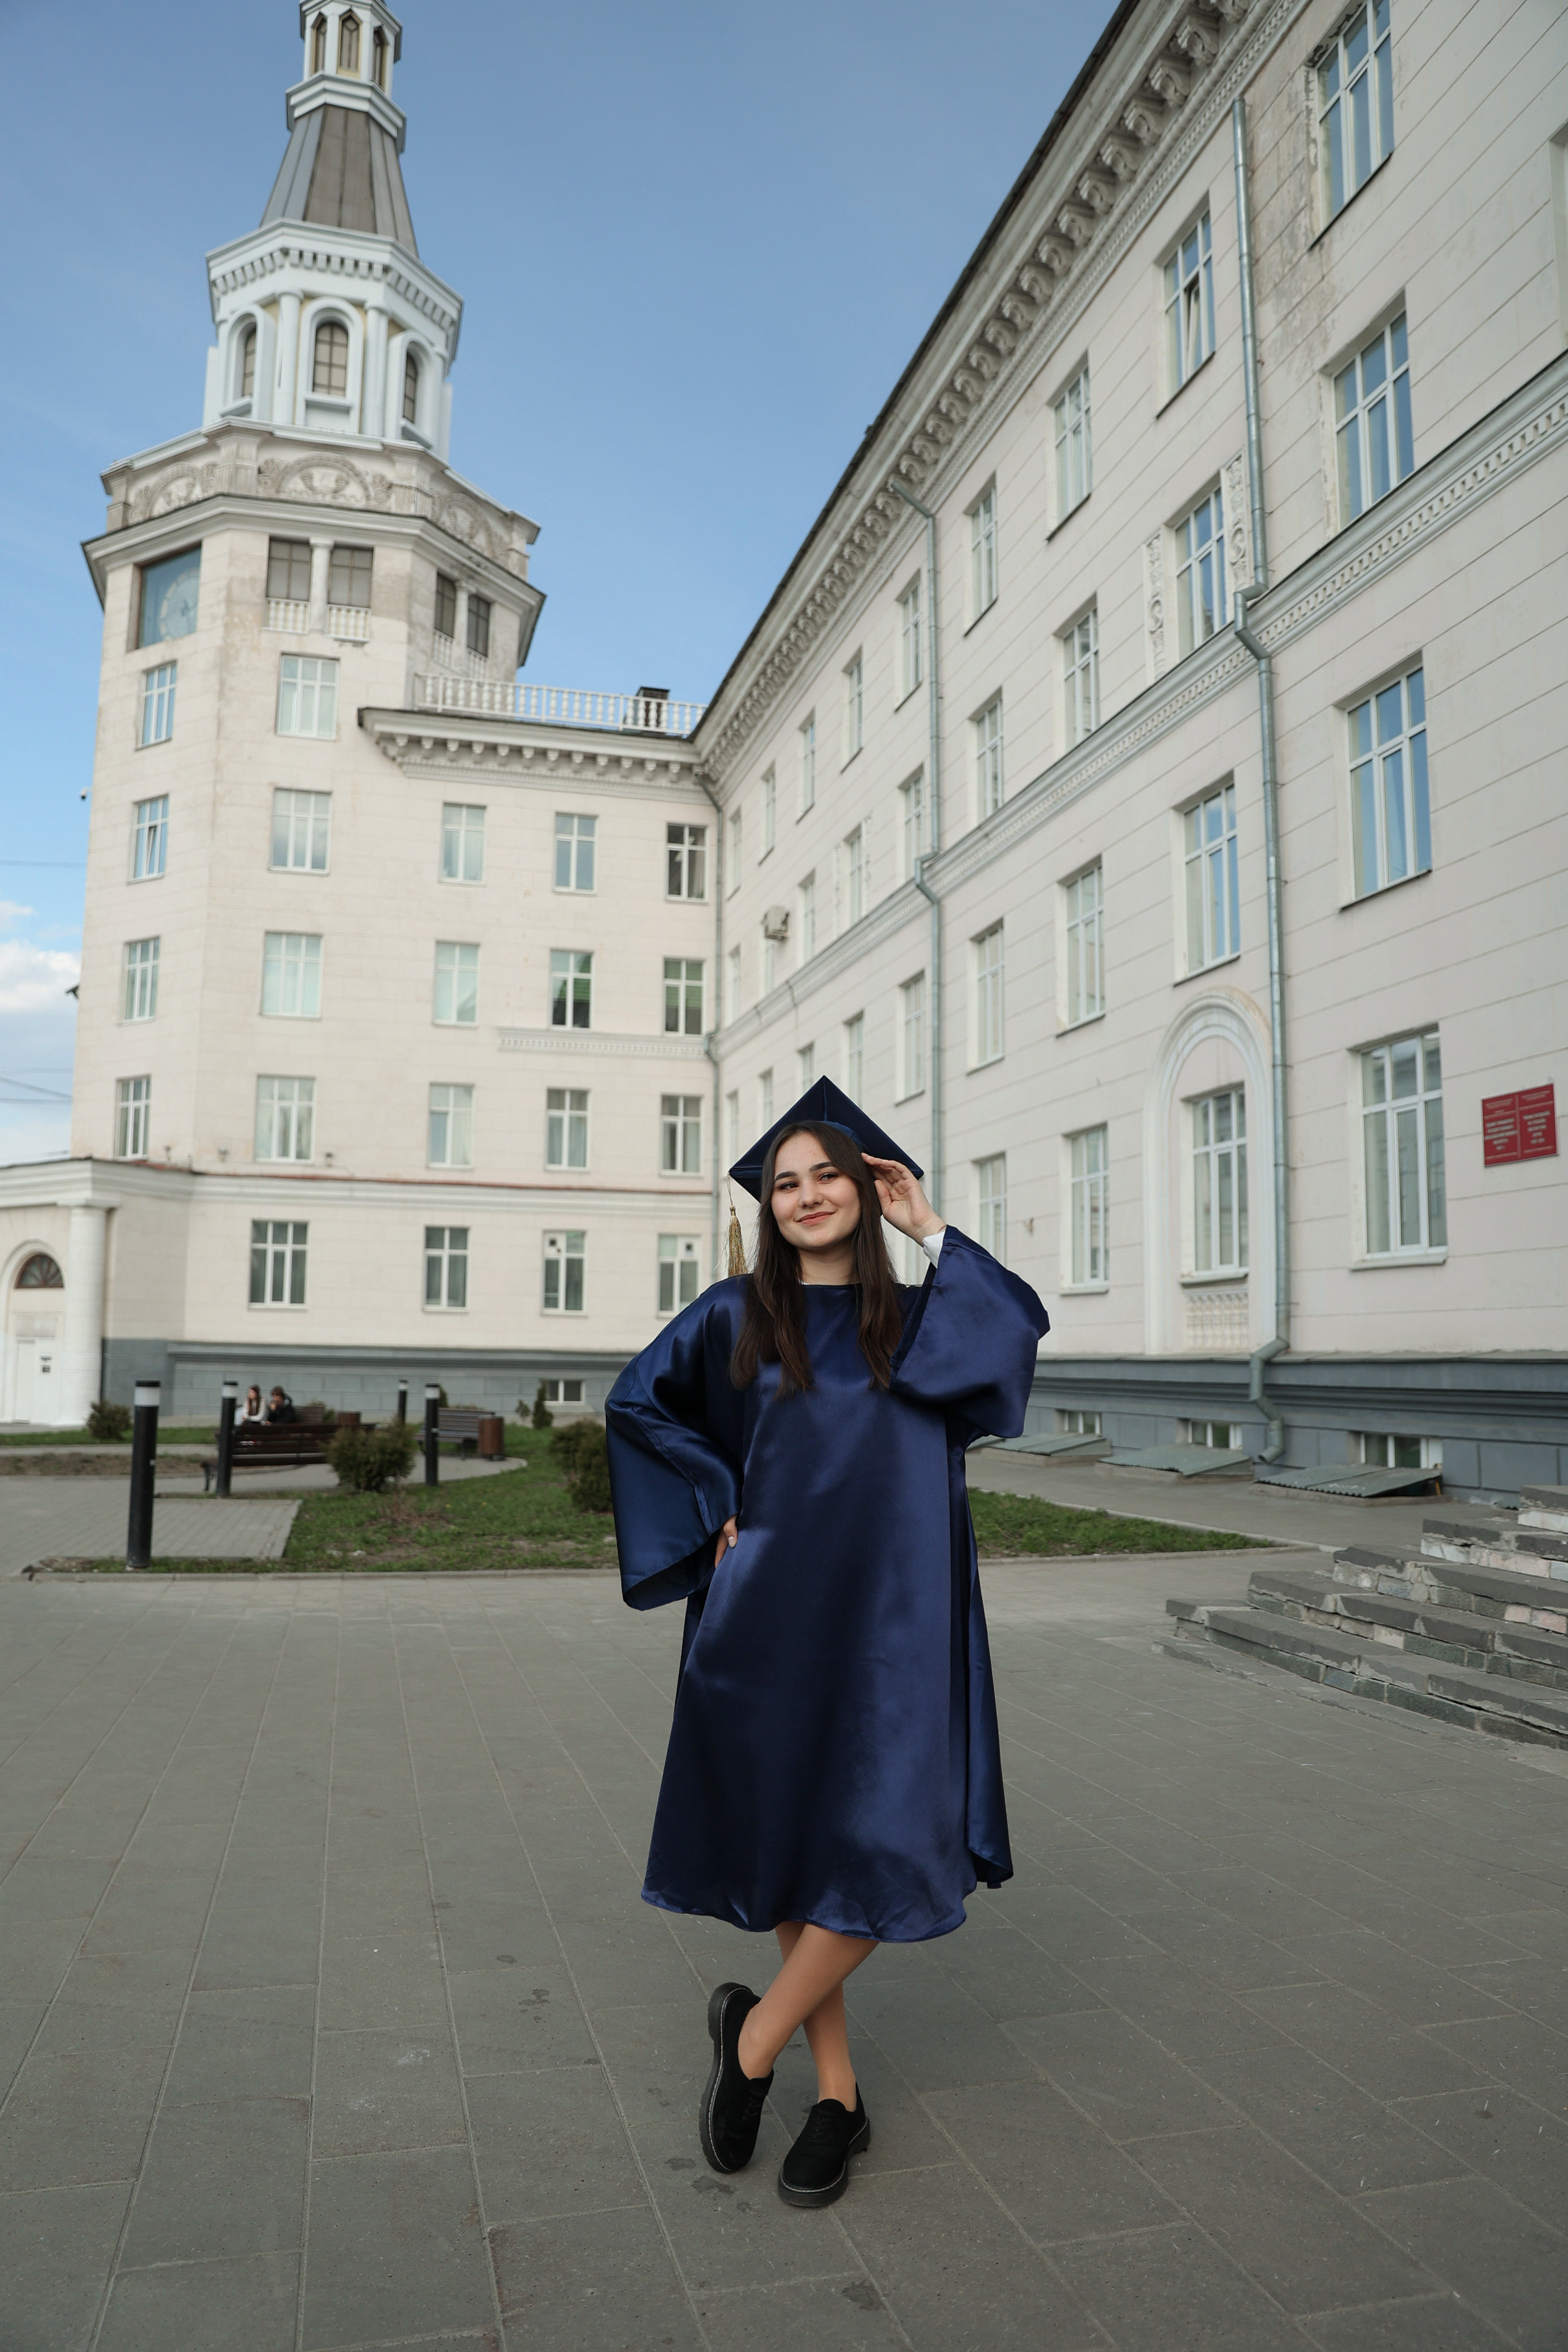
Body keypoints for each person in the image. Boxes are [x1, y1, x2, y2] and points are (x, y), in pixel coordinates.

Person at [606, 1076, 1048, 2210]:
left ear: (867, 1185)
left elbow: (1013, 1337)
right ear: (770, 1202)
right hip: (769, 1616)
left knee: (889, 1842)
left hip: (900, 1621)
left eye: (828, 1175)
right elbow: (637, 1407)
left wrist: (933, 1229)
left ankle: (751, 2046)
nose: (805, 1195)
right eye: (786, 1181)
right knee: (808, 1840)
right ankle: (840, 2099)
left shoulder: (919, 1318)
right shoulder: (731, 1317)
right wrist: (714, 1495)